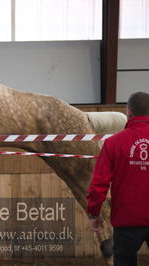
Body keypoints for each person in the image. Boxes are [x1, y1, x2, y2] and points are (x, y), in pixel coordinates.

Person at [86, 91, 149, 266]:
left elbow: (99, 183)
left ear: (129, 112)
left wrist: (94, 212)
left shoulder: (113, 143)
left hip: (126, 220)